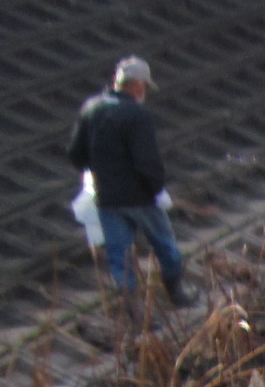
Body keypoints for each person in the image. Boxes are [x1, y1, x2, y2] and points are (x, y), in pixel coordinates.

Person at [67, 56, 192, 310]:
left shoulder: (92, 109)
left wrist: (97, 175)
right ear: (136, 85)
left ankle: (133, 314)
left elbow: (75, 153)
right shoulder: (137, 115)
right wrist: (157, 189)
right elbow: (147, 160)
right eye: (144, 87)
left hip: (107, 199)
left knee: (119, 257)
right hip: (141, 197)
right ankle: (177, 295)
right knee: (164, 244)